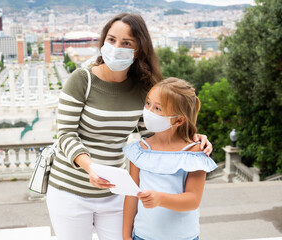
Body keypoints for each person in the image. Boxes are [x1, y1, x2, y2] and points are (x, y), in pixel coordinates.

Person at [46, 13, 213, 240]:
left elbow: (157, 136)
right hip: (70, 191)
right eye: (111, 39)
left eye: (126, 43)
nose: (116, 47)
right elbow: (65, 134)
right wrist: (90, 167)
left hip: (115, 192)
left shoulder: (143, 90)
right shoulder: (81, 80)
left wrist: (192, 137)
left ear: (139, 50)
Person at [122, 77, 217, 240]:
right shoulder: (140, 150)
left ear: (179, 119)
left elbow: (193, 200)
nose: (149, 111)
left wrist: (160, 199)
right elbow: (131, 196)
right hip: (142, 236)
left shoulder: (194, 152)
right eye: (148, 103)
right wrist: (125, 236)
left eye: (158, 108)